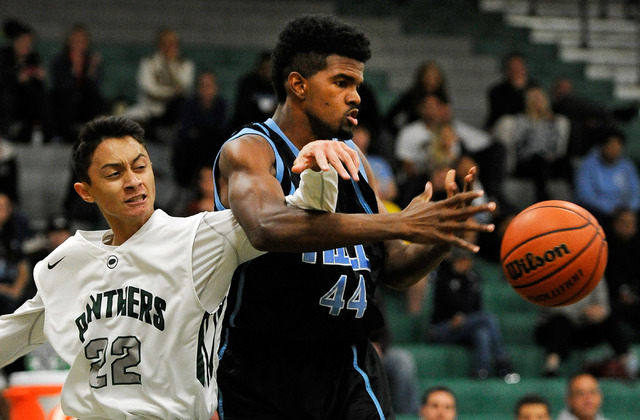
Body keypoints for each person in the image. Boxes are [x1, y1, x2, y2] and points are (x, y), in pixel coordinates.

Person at [213, 14, 496, 419]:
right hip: (262, 370)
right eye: (342, 83)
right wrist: (399, 222)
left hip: (348, 367)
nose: (356, 96)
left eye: (358, 85)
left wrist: (440, 233)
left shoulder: (357, 162)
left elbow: (395, 268)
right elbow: (266, 226)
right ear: (298, 84)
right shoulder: (251, 150)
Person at [0, 115, 353, 419]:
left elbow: (307, 213)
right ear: (85, 191)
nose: (133, 180)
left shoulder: (201, 238)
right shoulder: (66, 262)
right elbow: (12, 335)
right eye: (114, 173)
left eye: (140, 166)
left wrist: (319, 167)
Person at [427, 247, 517, 380]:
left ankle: (481, 371)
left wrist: (465, 317)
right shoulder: (444, 278)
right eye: (462, 259)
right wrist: (457, 317)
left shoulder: (473, 279)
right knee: (488, 319)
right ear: (455, 261)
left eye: (467, 260)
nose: (466, 263)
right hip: (443, 327)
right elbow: (447, 305)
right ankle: (502, 361)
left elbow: (475, 306)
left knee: (482, 333)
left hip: (467, 325)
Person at [534, 279, 637, 379]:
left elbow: (603, 306)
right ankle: (550, 368)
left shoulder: (595, 271)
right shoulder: (553, 274)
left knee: (609, 320)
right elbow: (555, 308)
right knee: (560, 322)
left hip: (584, 328)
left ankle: (628, 365)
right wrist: (585, 312)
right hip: (553, 329)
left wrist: (598, 313)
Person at [124, 28, 195, 140]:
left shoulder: (185, 65)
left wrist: (170, 67)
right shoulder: (148, 63)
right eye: (165, 43)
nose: (168, 47)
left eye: (172, 43)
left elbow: (183, 88)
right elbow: (149, 89)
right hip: (149, 109)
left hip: (174, 112)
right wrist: (172, 92)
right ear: (159, 44)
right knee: (130, 120)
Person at [573, 128, 640, 235]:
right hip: (600, 212)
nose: (615, 148)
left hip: (625, 210)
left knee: (630, 221)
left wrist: (629, 209)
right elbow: (585, 196)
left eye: (618, 144)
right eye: (611, 144)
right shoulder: (587, 165)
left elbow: (636, 191)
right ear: (602, 146)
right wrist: (613, 210)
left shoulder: (627, 165)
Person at [49, 23, 107, 143]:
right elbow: (61, 84)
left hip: (84, 100)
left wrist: (91, 72)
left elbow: (95, 87)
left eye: (82, 40)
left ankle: (95, 136)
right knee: (60, 99)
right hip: (65, 99)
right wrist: (74, 71)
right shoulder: (60, 60)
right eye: (76, 40)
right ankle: (63, 135)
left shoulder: (91, 60)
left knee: (98, 101)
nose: (79, 44)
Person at [0, 19, 53, 143]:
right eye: (24, 42)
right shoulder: (4, 56)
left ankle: (50, 135)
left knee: (42, 97)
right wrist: (17, 79)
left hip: (25, 100)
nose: (27, 46)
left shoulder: (33, 58)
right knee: (7, 96)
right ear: (16, 42)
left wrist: (38, 77)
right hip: (7, 99)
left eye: (30, 43)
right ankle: (5, 133)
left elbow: (38, 86)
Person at [172, 70, 228, 188]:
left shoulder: (221, 104)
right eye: (202, 85)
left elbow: (220, 129)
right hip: (193, 151)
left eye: (209, 85)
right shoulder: (189, 104)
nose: (206, 89)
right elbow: (187, 130)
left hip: (213, 149)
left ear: (215, 87)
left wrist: (202, 131)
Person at [603, 207, 640, 341]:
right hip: (613, 297)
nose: (629, 227)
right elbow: (610, 275)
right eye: (624, 223)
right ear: (615, 224)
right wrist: (622, 290)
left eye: (632, 223)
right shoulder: (605, 246)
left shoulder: (637, 244)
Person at [386, 60, 449, 137]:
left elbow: (447, 119)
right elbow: (390, 116)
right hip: (413, 135)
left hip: (437, 136)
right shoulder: (411, 96)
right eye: (428, 77)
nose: (431, 81)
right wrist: (400, 133)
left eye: (435, 78)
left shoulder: (442, 97)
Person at [485, 52, 537, 130]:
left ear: (524, 68)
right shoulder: (496, 91)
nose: (516, 70)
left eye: (518, 67)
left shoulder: (535, 88)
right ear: (507, 70)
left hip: (530, 126)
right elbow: (502, 114)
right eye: (512, 67)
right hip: (505, 127)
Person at [227, 50, 277, 134]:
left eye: (270, 68)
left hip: (271, 130)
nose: (267, 71)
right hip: (247, 128)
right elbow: (241, 111)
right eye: (265, 67)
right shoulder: (247, 83)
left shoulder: (279, 85)